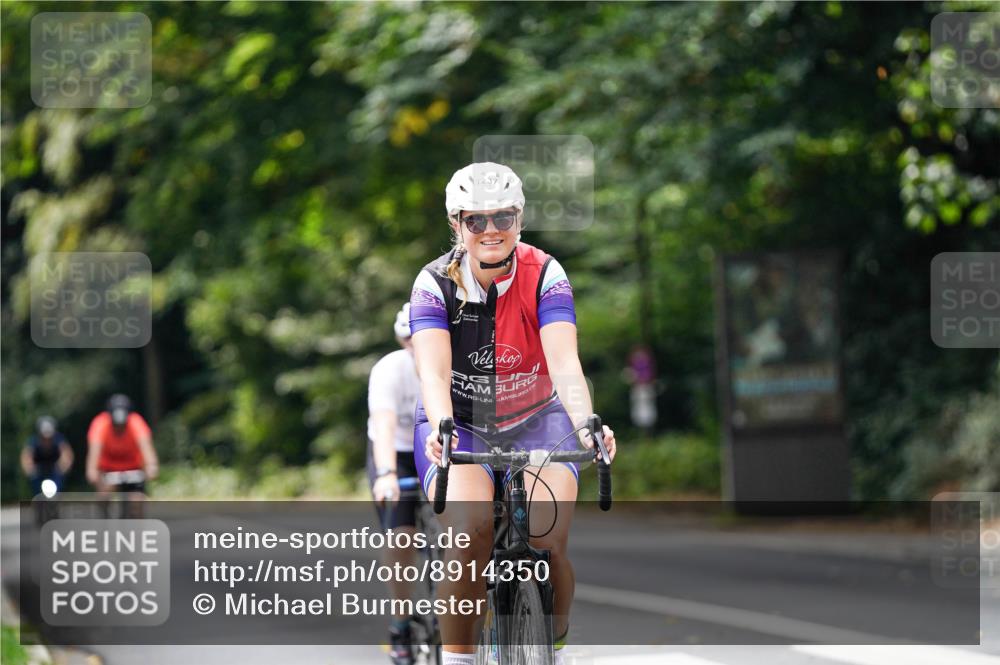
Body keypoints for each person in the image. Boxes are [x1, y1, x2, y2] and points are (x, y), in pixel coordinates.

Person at [409, 162, 617, 665]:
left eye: (502, 217)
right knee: (471, 531)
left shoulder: (545, 272)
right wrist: (442, 427)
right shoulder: (433, 283)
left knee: (548, 537)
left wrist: (586, 426)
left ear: (519, 219)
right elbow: (434, 374)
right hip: (460, 423)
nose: (490, 230)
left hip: (538, 418)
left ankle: (555, 645)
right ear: (456, 224)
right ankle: (457, 658)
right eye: (475, 220)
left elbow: (564, 362)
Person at [367, 303, 423, 665]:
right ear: (403, 342)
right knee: (400, 536)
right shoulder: (389, 370)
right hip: (396, 453)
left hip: (438, 450)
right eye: (411, 340)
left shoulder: (454, 364)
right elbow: (384, 425)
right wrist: (387, 474)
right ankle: (401, 623)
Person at [86, 394, 158, 510]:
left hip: (133, 470)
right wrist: (92, 470)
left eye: (122, 426)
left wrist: (151, 466)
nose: (119, 429)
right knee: (103, 496)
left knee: (137, 502)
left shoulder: (136, 423)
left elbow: (146, 447)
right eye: (116, 426)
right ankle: (104, 518)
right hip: (108, 470)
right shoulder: (100, 424)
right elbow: (94, 451)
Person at [21, 416, 73, 497]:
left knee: (58, 480)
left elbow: (67, 455)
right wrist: (30, 470)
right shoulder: (33, 441)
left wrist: (63, 467)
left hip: (54, 469)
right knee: (35, 482)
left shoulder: (59, 440)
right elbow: (26, 457)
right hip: (39, 470)